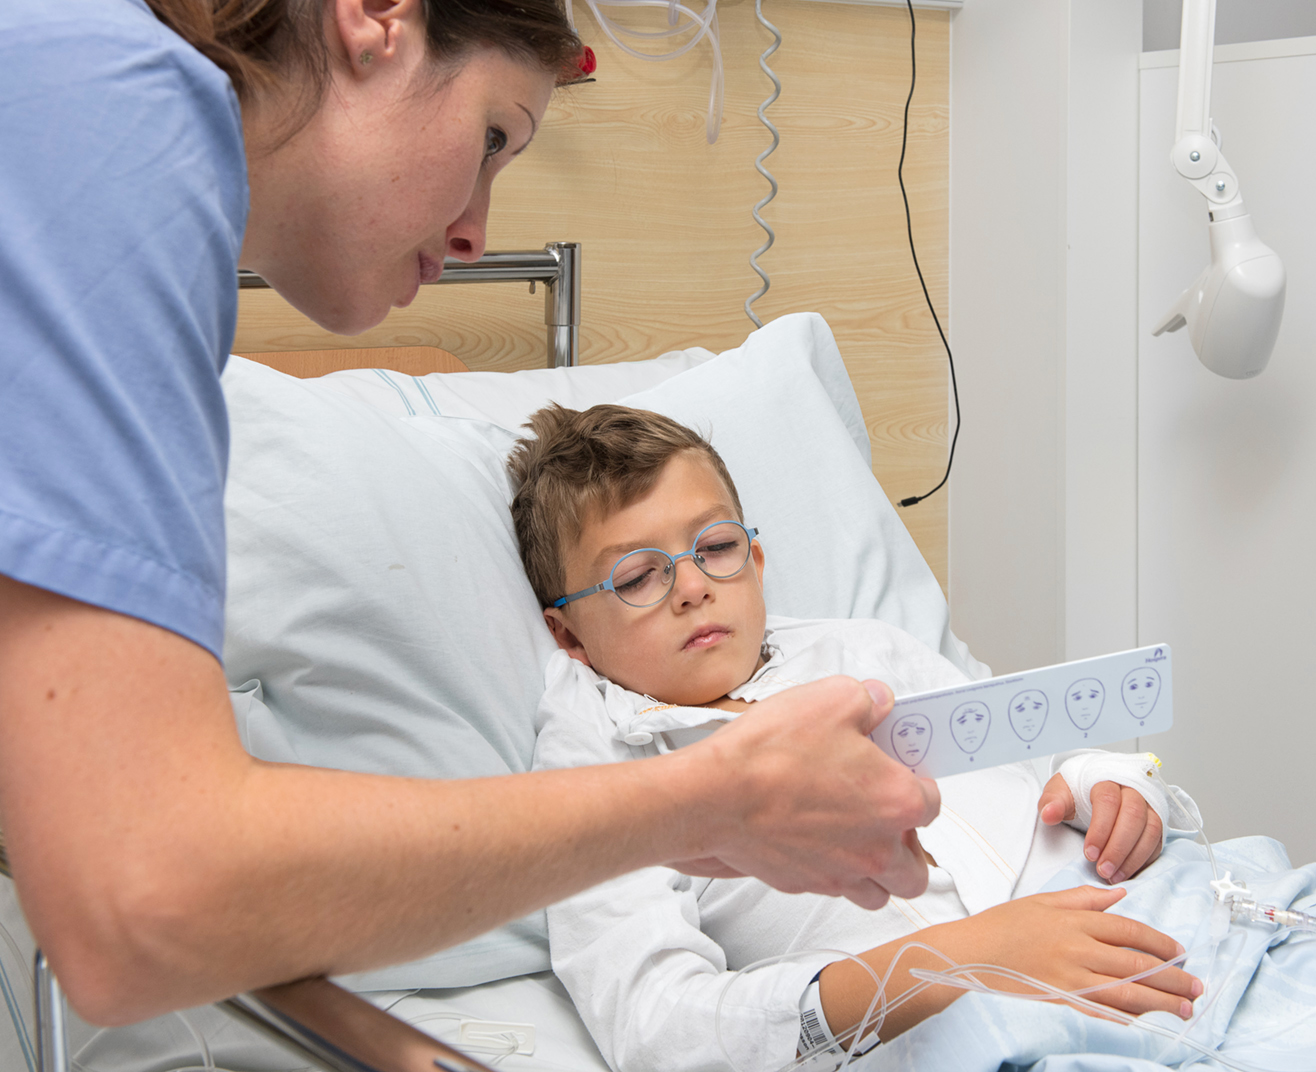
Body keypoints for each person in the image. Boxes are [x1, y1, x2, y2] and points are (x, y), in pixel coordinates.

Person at [0, 0, 940, 1026]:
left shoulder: (76, 90)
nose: (475, 232)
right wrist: (715, 799)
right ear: (373, 19)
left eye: (717, 547)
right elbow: (144, 898)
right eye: (492, 137)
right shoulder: (114, 107)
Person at [508, 404, 1203, 1072]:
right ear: (567, 634)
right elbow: (657, 1027)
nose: (692, 586)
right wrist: (948, 960)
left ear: (755, 559)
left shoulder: (869, 651)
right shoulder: (602, 765)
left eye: (715, 546)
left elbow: (1045, 763)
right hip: (965, 1023)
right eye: (637, 577)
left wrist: (1107, 788)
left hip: (1156, 910)